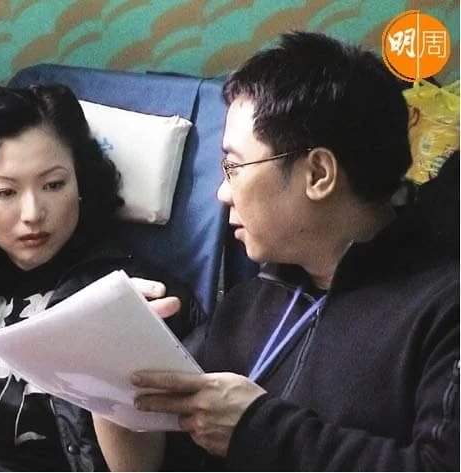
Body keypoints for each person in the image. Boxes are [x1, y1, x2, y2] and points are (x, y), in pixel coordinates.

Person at [92, 31, 459, 471]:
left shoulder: (444, 308)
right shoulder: (253, 301)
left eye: (234, 166)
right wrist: (114, 376)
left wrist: (257, 429)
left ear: (318, 173)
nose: (222, 193)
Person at [0, 83, 203, 470]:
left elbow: (144, 468)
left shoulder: (137, 295)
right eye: (5, 192)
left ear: (79, 182)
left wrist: (116, 352)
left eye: (53, 185)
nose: (33, 213)